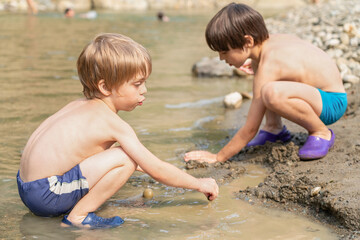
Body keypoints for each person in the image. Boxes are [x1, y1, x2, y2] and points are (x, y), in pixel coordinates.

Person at [17, 33, 219, 229]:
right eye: (137, 84)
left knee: (123, 155)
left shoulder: (77, 106)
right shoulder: (112, 123)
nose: (144, 90)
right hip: (46, 194)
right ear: (105, 87)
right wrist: (198, 183)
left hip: (27, 187)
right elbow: (155, 168)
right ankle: (77, 217)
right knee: (126, 159)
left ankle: (73, 209)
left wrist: (145, 166)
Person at [184, 3, 347, 163]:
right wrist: (256, 65)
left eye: (224, 52)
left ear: (247, 42)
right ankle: (273, 128)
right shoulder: (269, 46)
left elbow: (250, 128)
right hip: (320, 95)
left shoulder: (269, 64)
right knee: (266, 84)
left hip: (332, 103)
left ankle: (320, 132)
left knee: (270, 92)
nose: (221, 58)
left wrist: (218, 157)